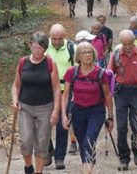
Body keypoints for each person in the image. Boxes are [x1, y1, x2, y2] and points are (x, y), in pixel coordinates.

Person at [61, 42, 114, 174]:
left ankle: (87, 170)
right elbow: (66, 94)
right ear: (78, 56)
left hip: (96, 111)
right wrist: (64, 115)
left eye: (90, 52)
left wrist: (111, 117)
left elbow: (108, 95)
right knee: (82, 141)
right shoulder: (72, 72)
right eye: (84, 52)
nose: (87, 55)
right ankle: (89, 163)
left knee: (89, 139)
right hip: (78, 111)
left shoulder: (100, 73)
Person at [12, 32, 61, 174]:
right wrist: (15, 100)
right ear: (30, 46)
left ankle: (39, 171)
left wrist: (56, 110)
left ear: (45, 49)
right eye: (34, 47)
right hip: (25, 108)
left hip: (45, 108)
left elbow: (57, 88)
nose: (36, 51)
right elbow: (16, 85)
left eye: (40, 48)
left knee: (42, 142)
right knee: (26, 141)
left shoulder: (50, 63)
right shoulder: (23, 62)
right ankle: (28, 166)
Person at [108, 30, 137, 171]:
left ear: (134, 41)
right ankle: (124, 158)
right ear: (121, 42)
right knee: (121, 127)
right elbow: (109, 73)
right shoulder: (116, 54)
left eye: (130, 43)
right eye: (124, 43)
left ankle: (136, 150)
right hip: (121, 93)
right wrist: (107, 91)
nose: (127, 46)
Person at [45, 24, 77, 169]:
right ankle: (48, 151)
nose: (57, 41)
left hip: (66, 91)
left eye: (59, 38)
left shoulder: (72, 48)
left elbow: (78, 69)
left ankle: (59, 157)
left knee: (62, 125)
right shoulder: (43, 46)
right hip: (46, 91)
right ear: (49, 36)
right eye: (54, 38)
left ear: (65, 36)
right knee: (44, 124)